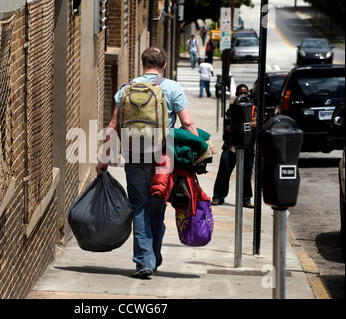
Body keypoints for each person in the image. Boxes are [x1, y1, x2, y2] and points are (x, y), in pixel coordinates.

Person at [96, 47, 199, 279]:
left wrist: (103, 160)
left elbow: (112, 127)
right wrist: (195, 154)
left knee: (139, 206)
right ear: (164, 65)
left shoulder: (126, 89)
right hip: (164, 158)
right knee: (157, 207)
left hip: (134, 156)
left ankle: (144, 260)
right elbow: (188, 124)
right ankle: (153, 256)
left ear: (142, 64)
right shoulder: (172, 88)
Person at [212, 84, 256, 208]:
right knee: (224, 171)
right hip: (231, 146)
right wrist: (244, 124)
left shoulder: (253, 109)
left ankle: (246, 199)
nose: (243, 96)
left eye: (245, 93)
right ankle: (218, 196)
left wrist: (242, 123)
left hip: (247, 147)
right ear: (236, 94)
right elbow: (228, 127)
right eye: (240, 93)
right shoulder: (231, 110)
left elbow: (256, 124)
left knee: (246, 174)